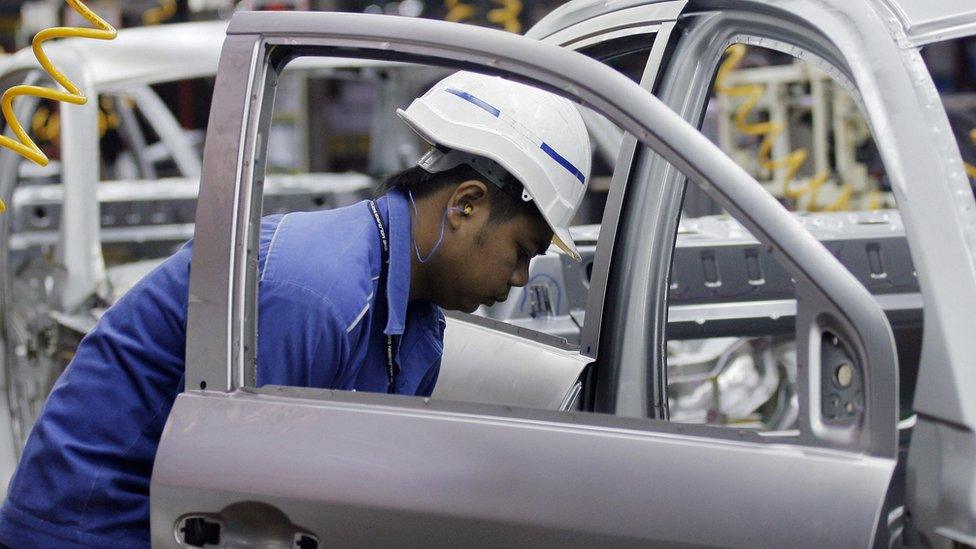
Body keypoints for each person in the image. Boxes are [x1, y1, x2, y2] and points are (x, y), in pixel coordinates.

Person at [0, 70, 591, 547]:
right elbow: (241, 510)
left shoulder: (418, 324)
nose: (517, 278)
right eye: (521, 252)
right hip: (90, 527)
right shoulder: (318, 292)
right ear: (466, 205)